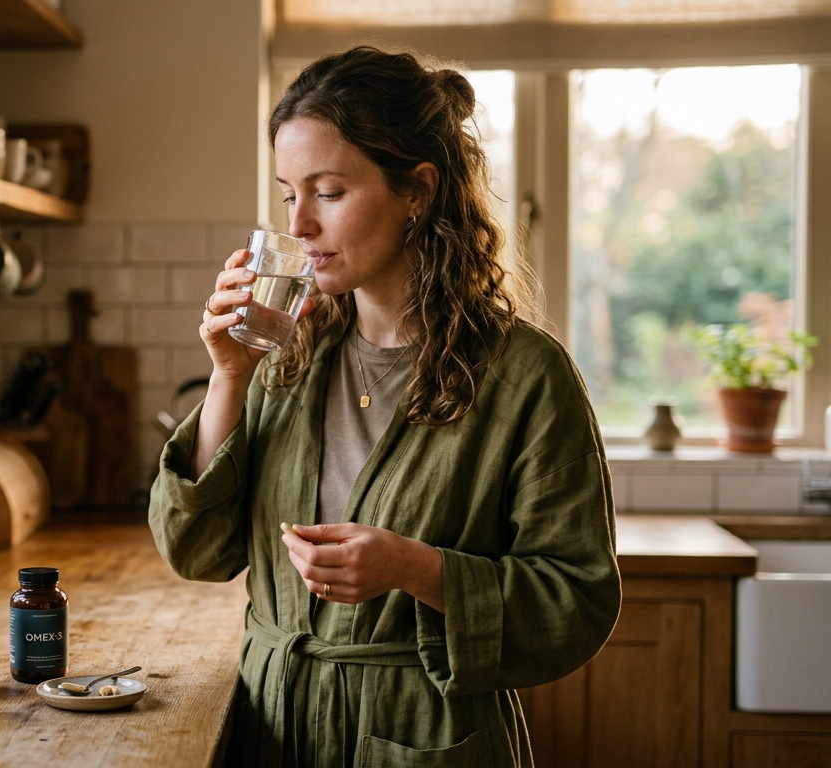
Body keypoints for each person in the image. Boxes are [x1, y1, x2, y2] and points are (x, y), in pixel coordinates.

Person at [148, 46, 621, 767]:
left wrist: (419, 570)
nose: (299, 225)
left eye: (328, 192)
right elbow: (196, 552)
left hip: (427, 737)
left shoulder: (523, 375)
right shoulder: (288, 358)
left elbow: (578, 602)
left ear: (418, 191)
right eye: (287, 195)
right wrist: (228, 379)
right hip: (274, 730)